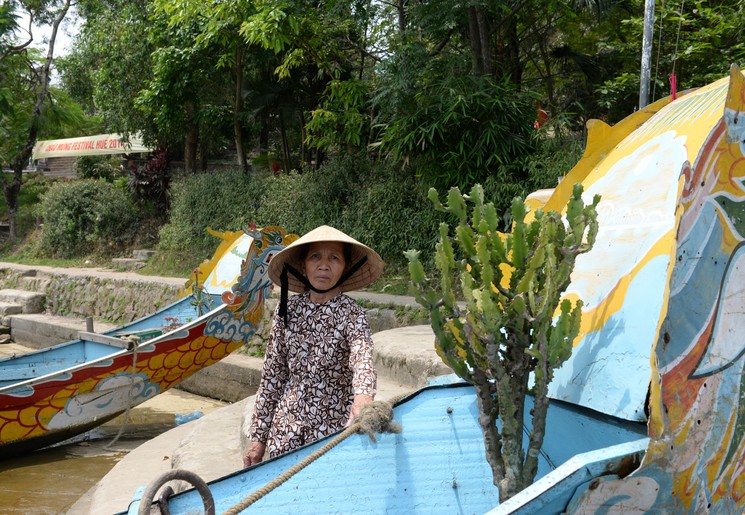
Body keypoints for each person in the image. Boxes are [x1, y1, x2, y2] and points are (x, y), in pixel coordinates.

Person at [243, 225, 384, 467]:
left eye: (334, 258)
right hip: (286, 430)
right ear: (303, 265)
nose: (323, 265)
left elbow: (362, 358)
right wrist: (258, 439)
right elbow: (272, 376)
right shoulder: (287, 311)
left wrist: (363, 396)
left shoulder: (352, 314)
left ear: (346, 268)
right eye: (315, 256)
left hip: (332, 432)